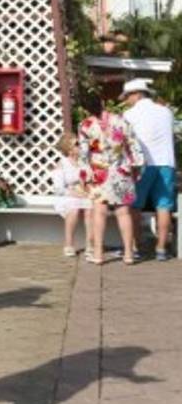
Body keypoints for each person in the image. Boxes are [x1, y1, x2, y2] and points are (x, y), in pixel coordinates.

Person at [77, 93, 145, 265]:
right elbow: (133, 145)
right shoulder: (120, 121)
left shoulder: (85, 126)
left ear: (86, 108)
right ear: (102, 102)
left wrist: (85, 177)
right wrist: (136, 167)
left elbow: (84, 155)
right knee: (123, 213)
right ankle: (129, 254)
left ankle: (98, 254)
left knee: (99, 213)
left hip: (99, 172)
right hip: (121, 171)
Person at [121, 78, 177, 261]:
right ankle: (161, 249)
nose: (126, 100)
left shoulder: (129, 114)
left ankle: (136, 246)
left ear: (136, 94)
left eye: (127, 96)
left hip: (142, 164)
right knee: (163, 206)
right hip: (166, 163)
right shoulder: (166, 112)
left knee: (134, 206)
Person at [51, 133, 92, 258]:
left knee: (90, 209)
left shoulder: (84, 162)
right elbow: (59, 188)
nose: (80, 146)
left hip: (83, 194)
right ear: (69, 149)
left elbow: (90, 179)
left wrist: (86, 188)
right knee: (73, 209)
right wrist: (75, 193)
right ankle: (69, 244)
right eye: (76, 144)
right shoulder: (62, 164)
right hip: (67, 196)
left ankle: (90, 244)